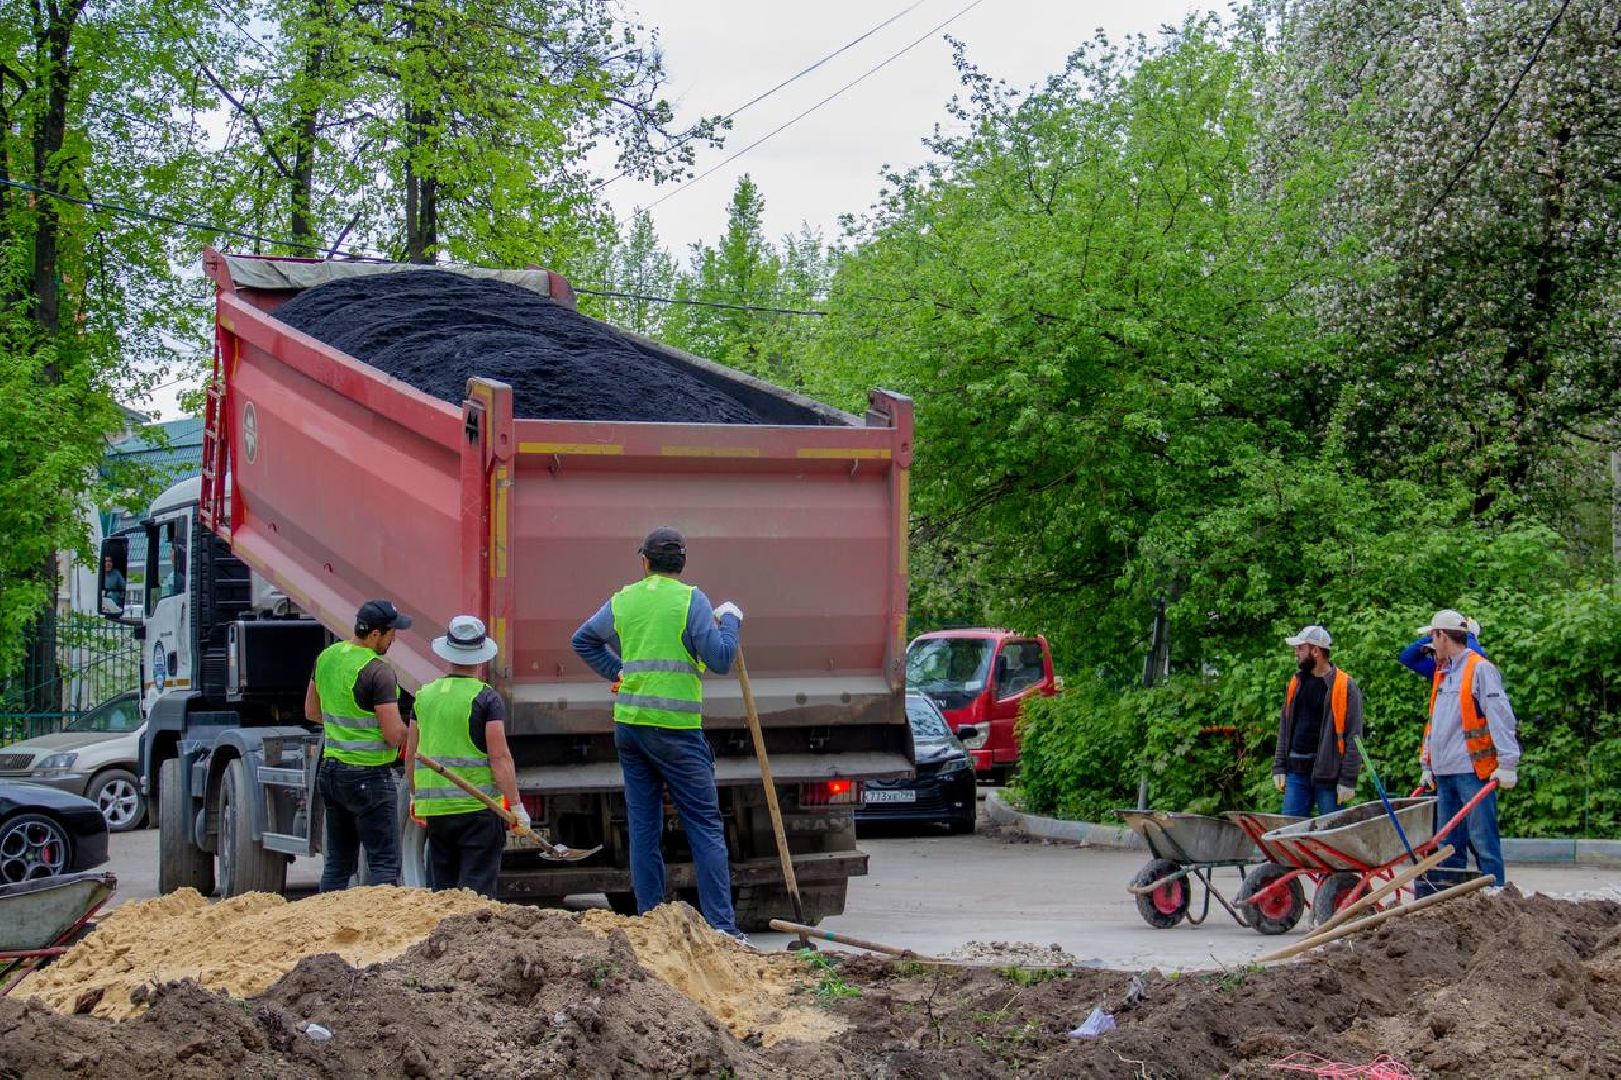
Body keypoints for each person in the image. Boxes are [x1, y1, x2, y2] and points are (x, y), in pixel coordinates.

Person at [570, 526, 745, 938]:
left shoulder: (624, 599)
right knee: (704, 825)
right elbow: (720, 659)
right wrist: (732, 622)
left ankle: (650, 922)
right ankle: (722, 927)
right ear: (682, 564)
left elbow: (583, 641)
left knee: (643, 825)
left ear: (644, 562)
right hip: (677, 732)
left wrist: (619, 671)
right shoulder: (691, 601)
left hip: (630, 727)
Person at [404, 615, 523, 898]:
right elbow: (500, 757)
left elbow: (412, 754)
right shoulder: (486, 698)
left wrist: (415, 796)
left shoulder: (424, 696)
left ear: (448, 651)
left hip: (438, 814)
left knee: (443, 895)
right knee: (477, 897)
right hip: (478, 811)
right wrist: (517, 807)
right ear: (481, 656)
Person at [306, 599, 411, 891]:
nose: (394, 639)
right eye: (392, 633)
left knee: (338, 864)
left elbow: (312, 712)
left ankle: (326, 926)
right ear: (375, 634)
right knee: (383, 864)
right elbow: (393, 734)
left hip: (331, 771)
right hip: (369, 778)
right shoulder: (378, 672)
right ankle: (382, 932)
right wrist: (413, 737)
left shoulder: (327, 657)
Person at [1417, 609, 1520, 887]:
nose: (1429, 641)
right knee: (1448, 845)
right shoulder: (1444, 671)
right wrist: (1427, 765)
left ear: (1442, 636)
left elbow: (1500, 715)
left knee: (1483, 839)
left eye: (1432, 635)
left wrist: (1508, 763)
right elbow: (1435, 723)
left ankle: (1496, 894)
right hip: (1444, 772)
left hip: (1472, 771)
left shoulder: (1479, 668)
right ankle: (1454, 902)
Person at [1272, 625, 1364, 817]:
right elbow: (1285, 728)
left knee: (1332, 836)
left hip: (1329, 775)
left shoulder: (1345, 686)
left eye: (1301, 648)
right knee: (1290, 834)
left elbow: (1354, 737)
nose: (1296, 653)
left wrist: (1348, 779)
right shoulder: (1296, 683)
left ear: (1316, 651)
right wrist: (1279, 766)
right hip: (1296, 771)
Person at [1398, 615, 1485, 679]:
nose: (1434, 654)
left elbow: (1476, 658)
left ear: (1444, 638)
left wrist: (1467, 634)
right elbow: (1407, 657)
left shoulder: (1475, 666)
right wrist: (1435, 635)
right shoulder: (1439, 668)